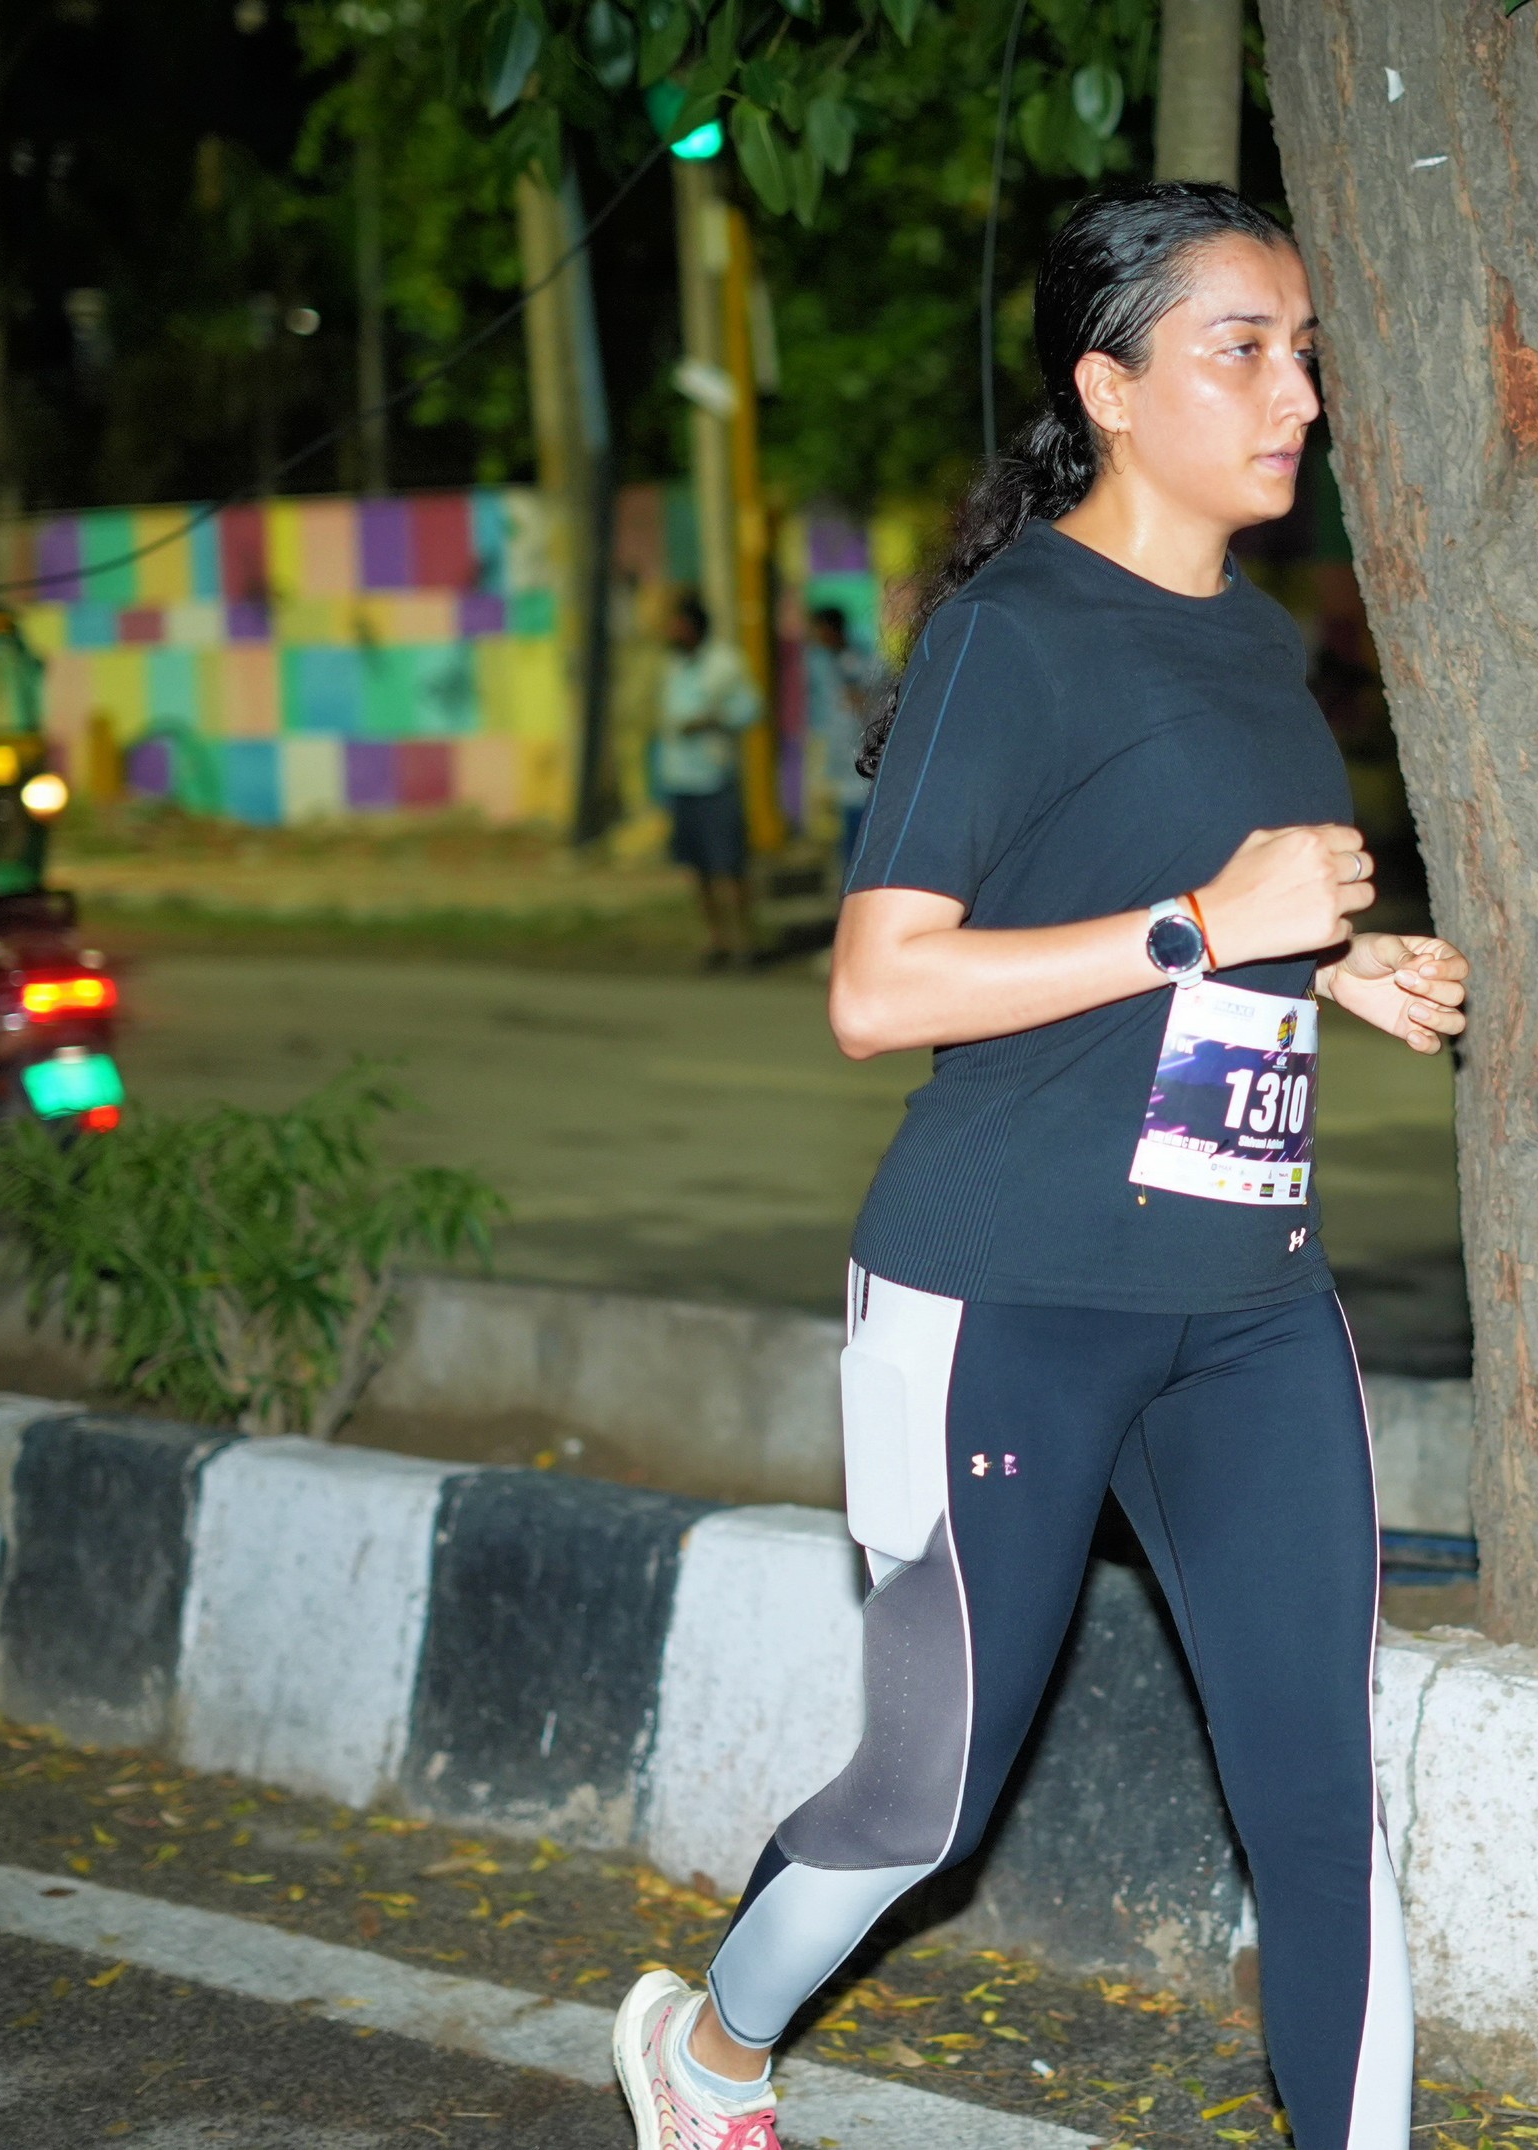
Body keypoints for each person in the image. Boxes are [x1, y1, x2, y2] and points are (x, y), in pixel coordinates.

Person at [610, 184, 1468, 2150]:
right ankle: (709, 2051)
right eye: (1242, 350)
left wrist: (1329, 968)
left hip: (1250, 1307)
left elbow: (1174, 911)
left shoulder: (1257, 643)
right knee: (931, 1792)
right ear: (1110, 387)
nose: (1299, 396)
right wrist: (1209, 922)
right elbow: (878, 987)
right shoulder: (1008, 639)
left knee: (1319, 1802)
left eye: (1305, 353)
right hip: (1003, 1297)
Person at [656, 590, 762, 970]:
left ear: (693, 626)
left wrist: (711, 720)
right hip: (680, 779)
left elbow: (751, 709)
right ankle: (716, 940)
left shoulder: (723, 663)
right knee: (696, 868)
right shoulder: (672, 666)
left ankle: (744, 941)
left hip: (715, 780)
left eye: (677, 624)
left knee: (728, 866)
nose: (670, 631)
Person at [800, 604, 885, 887]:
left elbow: (882, 702)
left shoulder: (866, 661)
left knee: (860, 827)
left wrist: (864, 701)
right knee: (837, 831)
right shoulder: (816, 663)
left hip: (862, 757)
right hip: (833, 755)